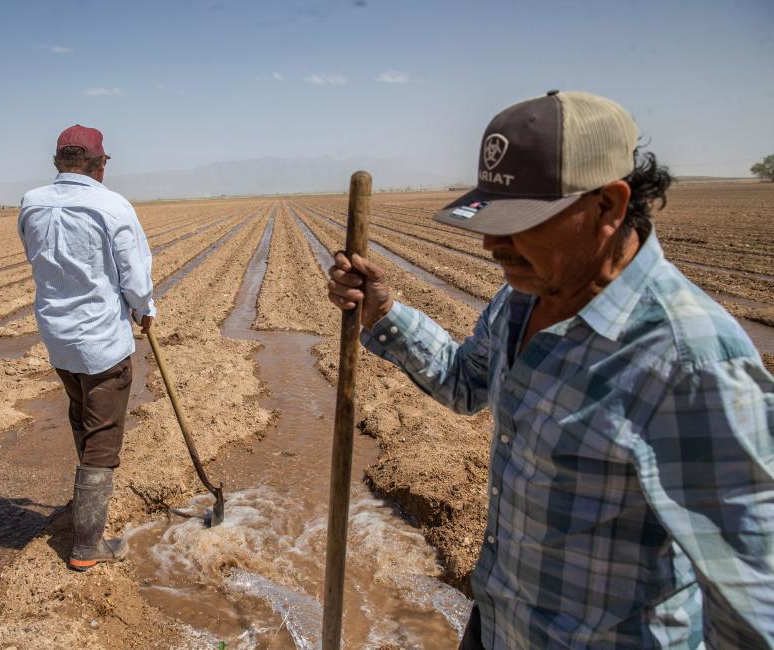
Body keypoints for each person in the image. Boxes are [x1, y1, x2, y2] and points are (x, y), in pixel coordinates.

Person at [328, 91, 774, 648]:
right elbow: (467, 383)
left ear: (610, 206)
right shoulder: (520, 301)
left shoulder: (689, 363)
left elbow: (755, 603)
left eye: (521, 221)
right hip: (499, 627)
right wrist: (384, 313)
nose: (492, 242)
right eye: (489, 216)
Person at [18, 124, 156, 571]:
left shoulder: (31, 202)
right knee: (103, 433)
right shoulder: (110, 204)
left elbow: (37, 259)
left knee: (80, 412)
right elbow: (133, 274)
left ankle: (85, 504)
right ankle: (87, 546)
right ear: (98, 164)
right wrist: (145, 310)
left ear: (60, 162)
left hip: (57, 337)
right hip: (100, 339)